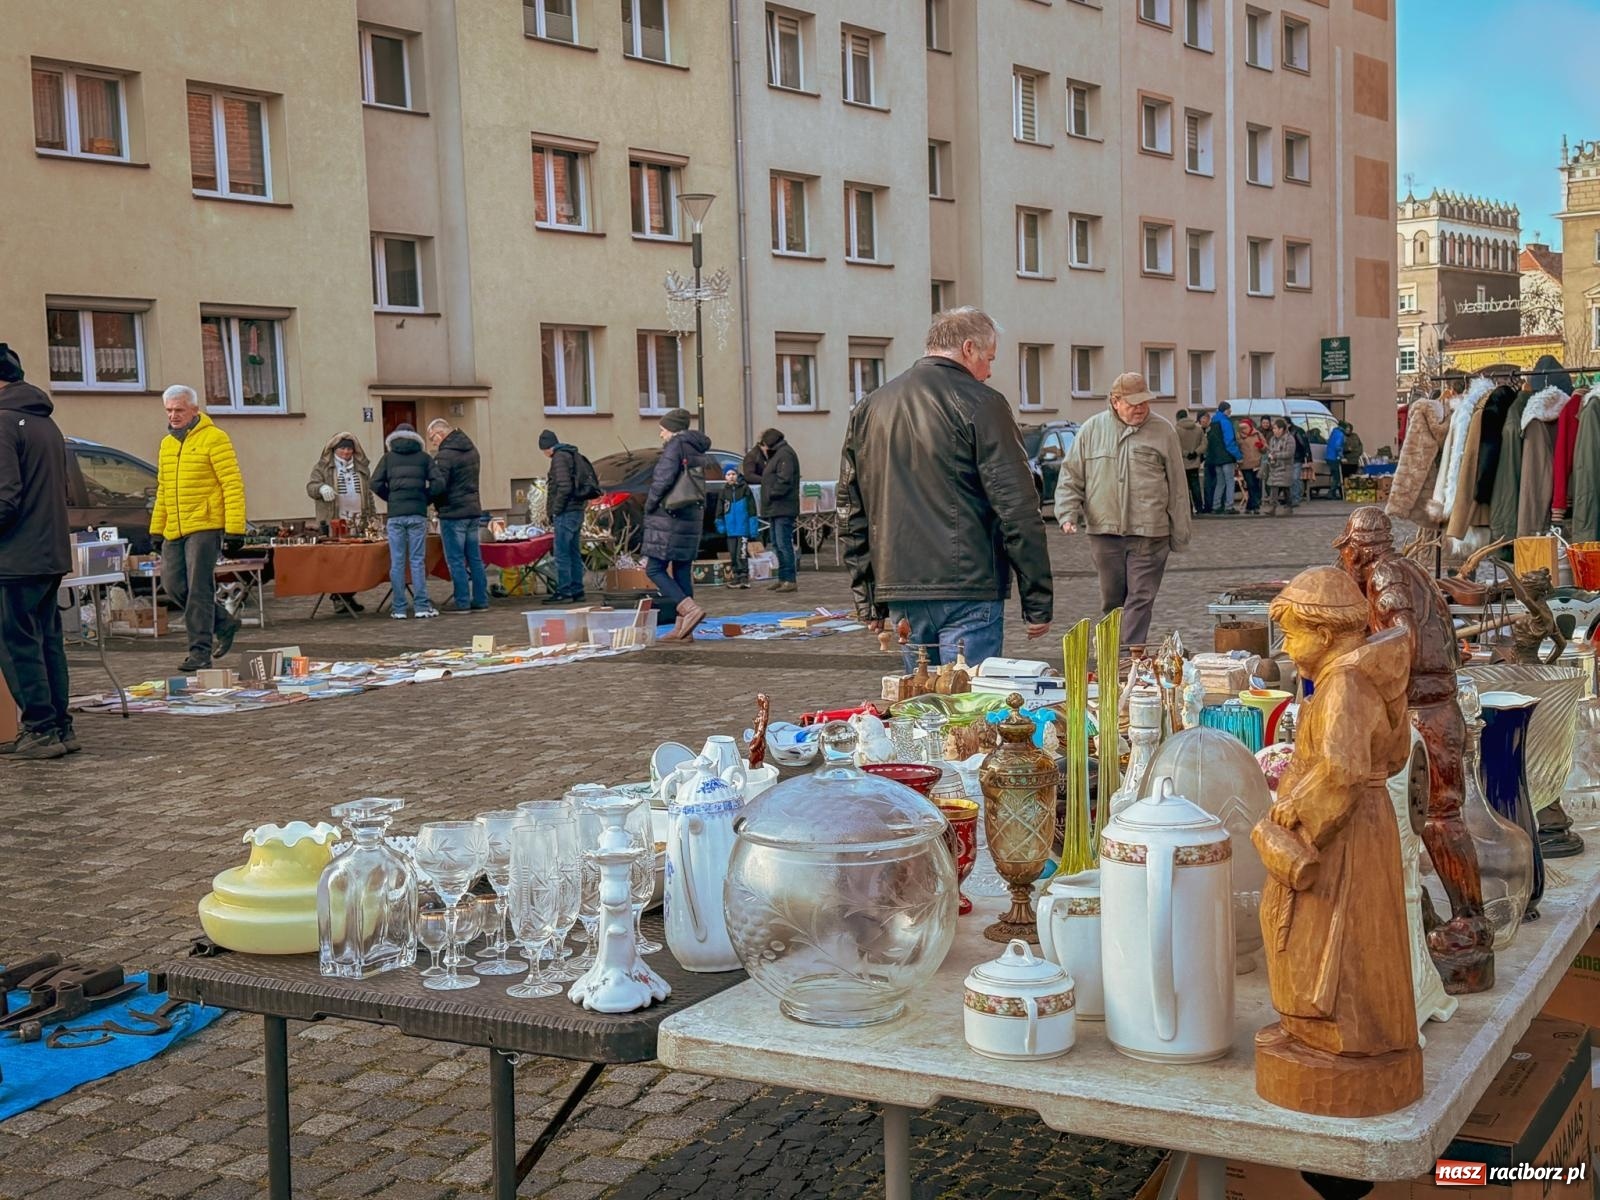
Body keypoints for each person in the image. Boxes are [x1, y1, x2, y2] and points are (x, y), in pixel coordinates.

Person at [841, 307, 1051, 668]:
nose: (989, 371)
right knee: (966, 708)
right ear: (968, 348)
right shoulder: (983, 403)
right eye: (988, 359)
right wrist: (1038, 601)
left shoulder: (871, 406)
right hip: (969, 586)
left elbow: (851, 510)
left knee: (925, 708)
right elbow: (1018, 508)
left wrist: (868, 598)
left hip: (902, 586)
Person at [1056, 371, 1190, 650]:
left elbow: (1178, 485)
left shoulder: (1163, 431)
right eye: (1133, 403)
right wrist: (1067, 514)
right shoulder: (1091, 430)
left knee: (1141, 596)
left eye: (1144, 402)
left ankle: (1130, 658)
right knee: (1112, 600)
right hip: (1104, 531)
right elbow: (1071, 476)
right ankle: (1111, 654)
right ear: (1115, 401)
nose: (1141, 408)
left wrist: (1179, 533)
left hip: (1150, 532)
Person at [0, 344, 74, 759]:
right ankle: (60, 726)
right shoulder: (46, 424)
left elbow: (4, 498)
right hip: (48, 553)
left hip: (13, 558)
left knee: (17, 645)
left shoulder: (4, 424)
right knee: (47, 642)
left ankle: (40, 729)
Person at [151, 384, 246, 672]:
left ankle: (199, 653)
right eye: (168, 410)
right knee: (172, 584)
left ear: (194, 409)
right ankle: (224, 622)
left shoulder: (215, 439)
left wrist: (235, 529)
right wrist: (157, 528)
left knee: (198, 590)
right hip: (175, 528)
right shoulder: (167, 444)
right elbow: (164, 490)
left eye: (179, 410)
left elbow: (232, 484)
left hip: (205, 525)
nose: (173, 415)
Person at [643, 408, 711, 641]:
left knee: (654, 568)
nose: (661, 435)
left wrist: (649, 504)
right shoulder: (695, 446)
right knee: (681, 568)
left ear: (671, 429)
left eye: (662, 430)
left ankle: (689, 610)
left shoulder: (674, 446)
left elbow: (662, 480)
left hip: (670, 516)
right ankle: (683, 629)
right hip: (690, 515)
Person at [370, 423, 437, 620]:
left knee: (397, 562)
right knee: (417, 561)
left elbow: (374, 483)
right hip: (417, 514)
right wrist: (425, 498)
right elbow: (439, 482)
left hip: (396, 515)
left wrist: (391, 498)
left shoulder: (388, 458)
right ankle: (421, 606)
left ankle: (399, 607)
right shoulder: (424, 458)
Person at [306, 432, 373, 615]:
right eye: (342, 448)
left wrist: (372, 517)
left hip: (359, 521)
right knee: (339, 562)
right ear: (334, 449)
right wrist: (321, 487)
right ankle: (340, 596)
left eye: (349, 448)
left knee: (358, 561)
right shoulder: (323, 467)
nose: (346, 452)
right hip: (334, 521)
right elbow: (311, 487)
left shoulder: (361, 468)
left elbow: (368, 494)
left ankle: (346, 595)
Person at [427, 418, 488, 612]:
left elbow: (440, 485)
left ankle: (462, 601)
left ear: (440, 433)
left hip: (452, 513)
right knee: (475, 559)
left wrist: (430, 501)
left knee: (455, 559)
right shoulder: (472, 450)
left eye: (432, 438)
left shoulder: (445, 455)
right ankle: (481, 600)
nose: (432, 442)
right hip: (472, 510)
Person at [743, 428, 801, 594]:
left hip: (783, 506)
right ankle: (783, 578)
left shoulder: (785, 455)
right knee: (776, 543)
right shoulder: (778, 455)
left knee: (783, 544)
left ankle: (789, 579)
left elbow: (784, 480)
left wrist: (771, 493)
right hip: (775, 507)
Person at [539, 429, 588, 604]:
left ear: (547, 448)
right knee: (573, 552)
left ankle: (564, 591)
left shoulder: (559, 458)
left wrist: (556, 510)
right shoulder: (570, 454)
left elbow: (564, 487)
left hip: (566, 512)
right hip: (576, 510)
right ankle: (577, 589)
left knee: (562, 554)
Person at [716, 468, 758, 589]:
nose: (731, 477)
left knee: (742, 553)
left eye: (733, 474)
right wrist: (721, 526)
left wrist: (753, 528)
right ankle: (736, 576)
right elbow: (719, 511)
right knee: (733, 553)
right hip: (730, 530)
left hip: (743, 529)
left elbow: (752, 509)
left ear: (737, 475)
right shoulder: (723, 492)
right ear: (725, 477)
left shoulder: (745, 489)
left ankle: (744, 577)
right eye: (728, 474)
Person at [1204, 401, 1240, 515]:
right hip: (1226, 458)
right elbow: (1229, 442)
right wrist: (1238, 455)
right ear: (1225, 410)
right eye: (1229, 409)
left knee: (1220, 482)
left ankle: (1216, 506)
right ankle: (1229, 506)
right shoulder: (1225, 422)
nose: (1230, 411)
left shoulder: (1213, 422)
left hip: (1216, 459)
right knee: (1230, 482)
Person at [1175, 408, 1208, 514]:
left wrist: (1185, 453)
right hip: (1195, 462)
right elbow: (1204, 444)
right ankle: (1199, 508)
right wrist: (1195, 453)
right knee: (1196, 486)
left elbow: (1175, 446)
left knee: (1184, 488)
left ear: (1178, 418)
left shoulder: (1176, 429)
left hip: (1182, 462)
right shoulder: (1198, 429)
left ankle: (1188, 509)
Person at [1263, 418, 1298, 516]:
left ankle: (1288, 506)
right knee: (1273, 487)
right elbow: (1270, 450)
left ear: (1281, 429)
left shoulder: (1289, 439)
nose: (1273, 430)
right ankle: (1272, 507)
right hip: (1274, 467)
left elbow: (1289, 453)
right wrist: (1270, 456)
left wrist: (1276, 455)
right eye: (1273, 428)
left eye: (1275, 428)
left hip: (1285, 467)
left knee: (1285, 487)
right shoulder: (1273, 439)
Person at [1236, 417, 1265, 515]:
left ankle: (1251, 506)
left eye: (1245, 427)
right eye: (1242, 428)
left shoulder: (1257, 434)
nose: (1244, 430)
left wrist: (1262, 446)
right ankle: (1255, 505)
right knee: (1251, 484)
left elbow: (1265, 447)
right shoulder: (1239, 436)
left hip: (1257, 463)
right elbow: (1236, 448)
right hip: (1245, 464)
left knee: (1256, 485)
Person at [1289, 419, 1313, 506]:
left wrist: (1309, 458)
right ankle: (1292, 497)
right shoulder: (1286, 432)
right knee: (1292, 478)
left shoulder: (1297, 431)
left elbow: (1305, 445)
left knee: (1295, 478)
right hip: (1290, 459)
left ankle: (1296, 497)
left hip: (1297, 458)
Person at [1324, 420, 1347, 500]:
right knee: (1337, 476)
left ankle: (1332, 493)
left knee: (1334, 475)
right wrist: (1341, 456)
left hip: (1329, 456)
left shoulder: (1334, 432)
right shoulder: (1340, 434)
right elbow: (1338, 446)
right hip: (1334, 458)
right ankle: (1331, 493)